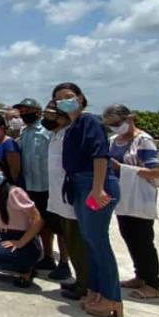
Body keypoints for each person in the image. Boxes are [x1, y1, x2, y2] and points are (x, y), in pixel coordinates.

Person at [54, 82, 123, 317]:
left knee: (99, 242)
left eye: (69, 96)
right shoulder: (73, 126)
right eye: (59, 98)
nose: (65, 101)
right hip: (79, 186)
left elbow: (100, 154)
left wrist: (98, 189)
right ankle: (96, 291)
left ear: (81, 98)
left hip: (94, 186)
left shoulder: (89, 121)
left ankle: (112, 297)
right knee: (90, 241)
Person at [104, 104, 159, 301]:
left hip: (139, 197)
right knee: (129, 236)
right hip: (122, 197)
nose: (114, 127)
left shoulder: (143, 141)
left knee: (143, 240)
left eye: (117, 123)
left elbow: (155, 172)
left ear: (129, 119)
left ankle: (153, 284)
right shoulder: (113, 141)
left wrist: (123, 168)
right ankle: (140, 276)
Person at [43, 102, 89, 301]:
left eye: (50, 114)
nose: (47, 118)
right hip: (57, 196)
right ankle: (81, 281)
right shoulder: (56, 134)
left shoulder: (71, 133)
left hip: (70, 196)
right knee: (68, 238)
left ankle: (85, 284)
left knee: (77, 242)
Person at [14, 97, 63, 277]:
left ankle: (64, 262)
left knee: (58, 227)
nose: (24, 114)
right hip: (31, 186)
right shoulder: (24, 131)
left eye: (28, 110)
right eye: (22, 111)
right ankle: (48, 256)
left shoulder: (47, 131)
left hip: (49, 185)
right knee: (41, 224)